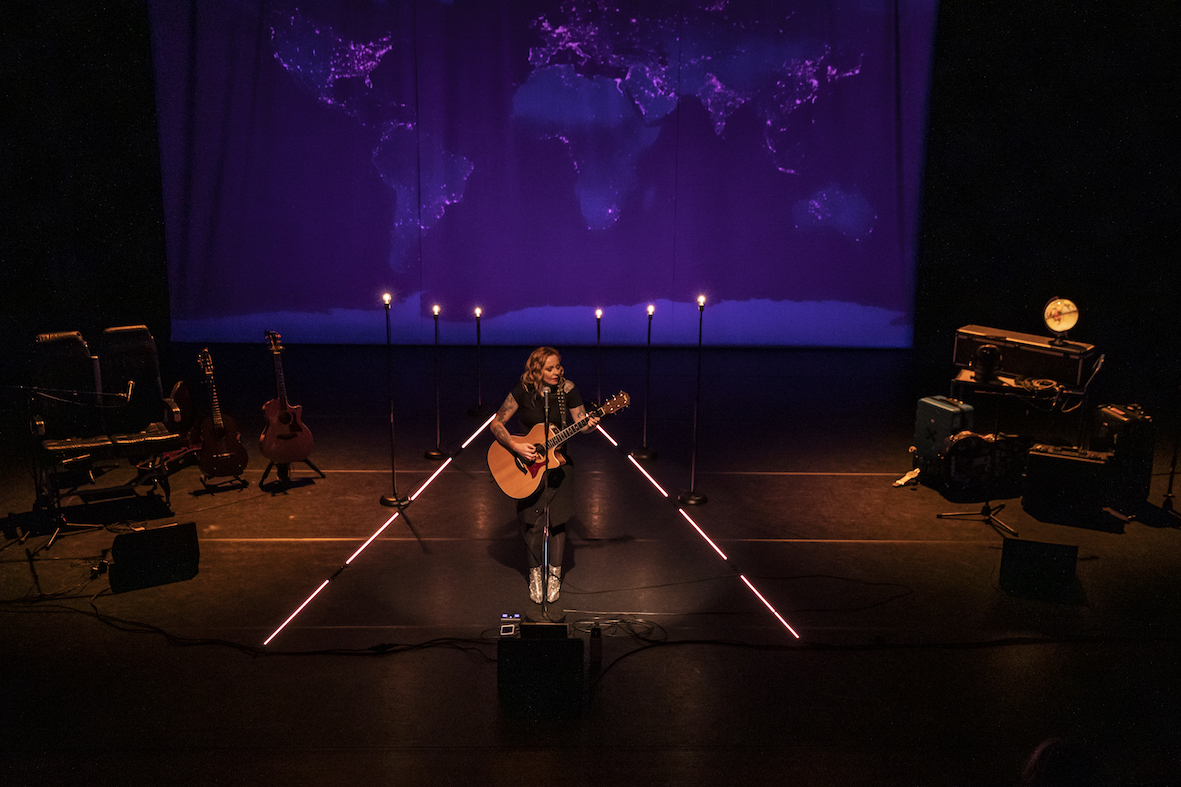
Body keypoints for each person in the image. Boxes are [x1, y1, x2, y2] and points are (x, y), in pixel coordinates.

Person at [490, 347, 599, 604]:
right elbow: (496, 423)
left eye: (558, 367)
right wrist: (516, 446)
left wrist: (588, 425)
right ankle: (536, 574)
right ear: (537, 370)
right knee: (533, 524)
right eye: (550, 368)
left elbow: (580, 422)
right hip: (528, 467)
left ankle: (555, 574)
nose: (557, 372)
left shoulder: (567, 390)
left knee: (558, 522)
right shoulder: (522, 392)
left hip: (559, 466)